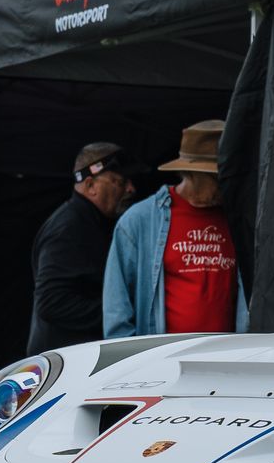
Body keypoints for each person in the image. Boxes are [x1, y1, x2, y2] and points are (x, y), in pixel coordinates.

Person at [104, 120, 245, 338]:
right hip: (166, 363)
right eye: (218, 178)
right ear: (192, 174)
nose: (226, 185)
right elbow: (117, 311)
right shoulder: (140, 221)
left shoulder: (239, 218)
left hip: (228, 358)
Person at [28, 143, 136, 350]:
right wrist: (118, 314)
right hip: (66, 361)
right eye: (119, 182)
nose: (130, 188)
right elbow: (51, 303)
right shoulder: (68, 229)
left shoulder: (94, 222)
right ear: (90, 186)